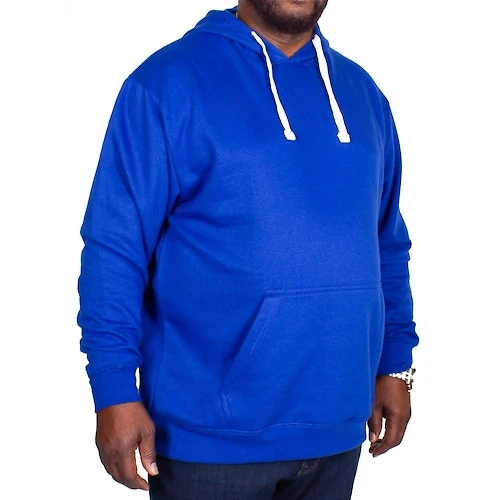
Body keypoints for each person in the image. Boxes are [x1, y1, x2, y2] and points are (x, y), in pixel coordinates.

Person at [77, 1, 419, 498]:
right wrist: (113, 390)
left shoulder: (364, 96)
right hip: (206, 440)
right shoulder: (166, 85)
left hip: (338, 430)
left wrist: (395, 364)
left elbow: (387, 243)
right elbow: (115, 248)